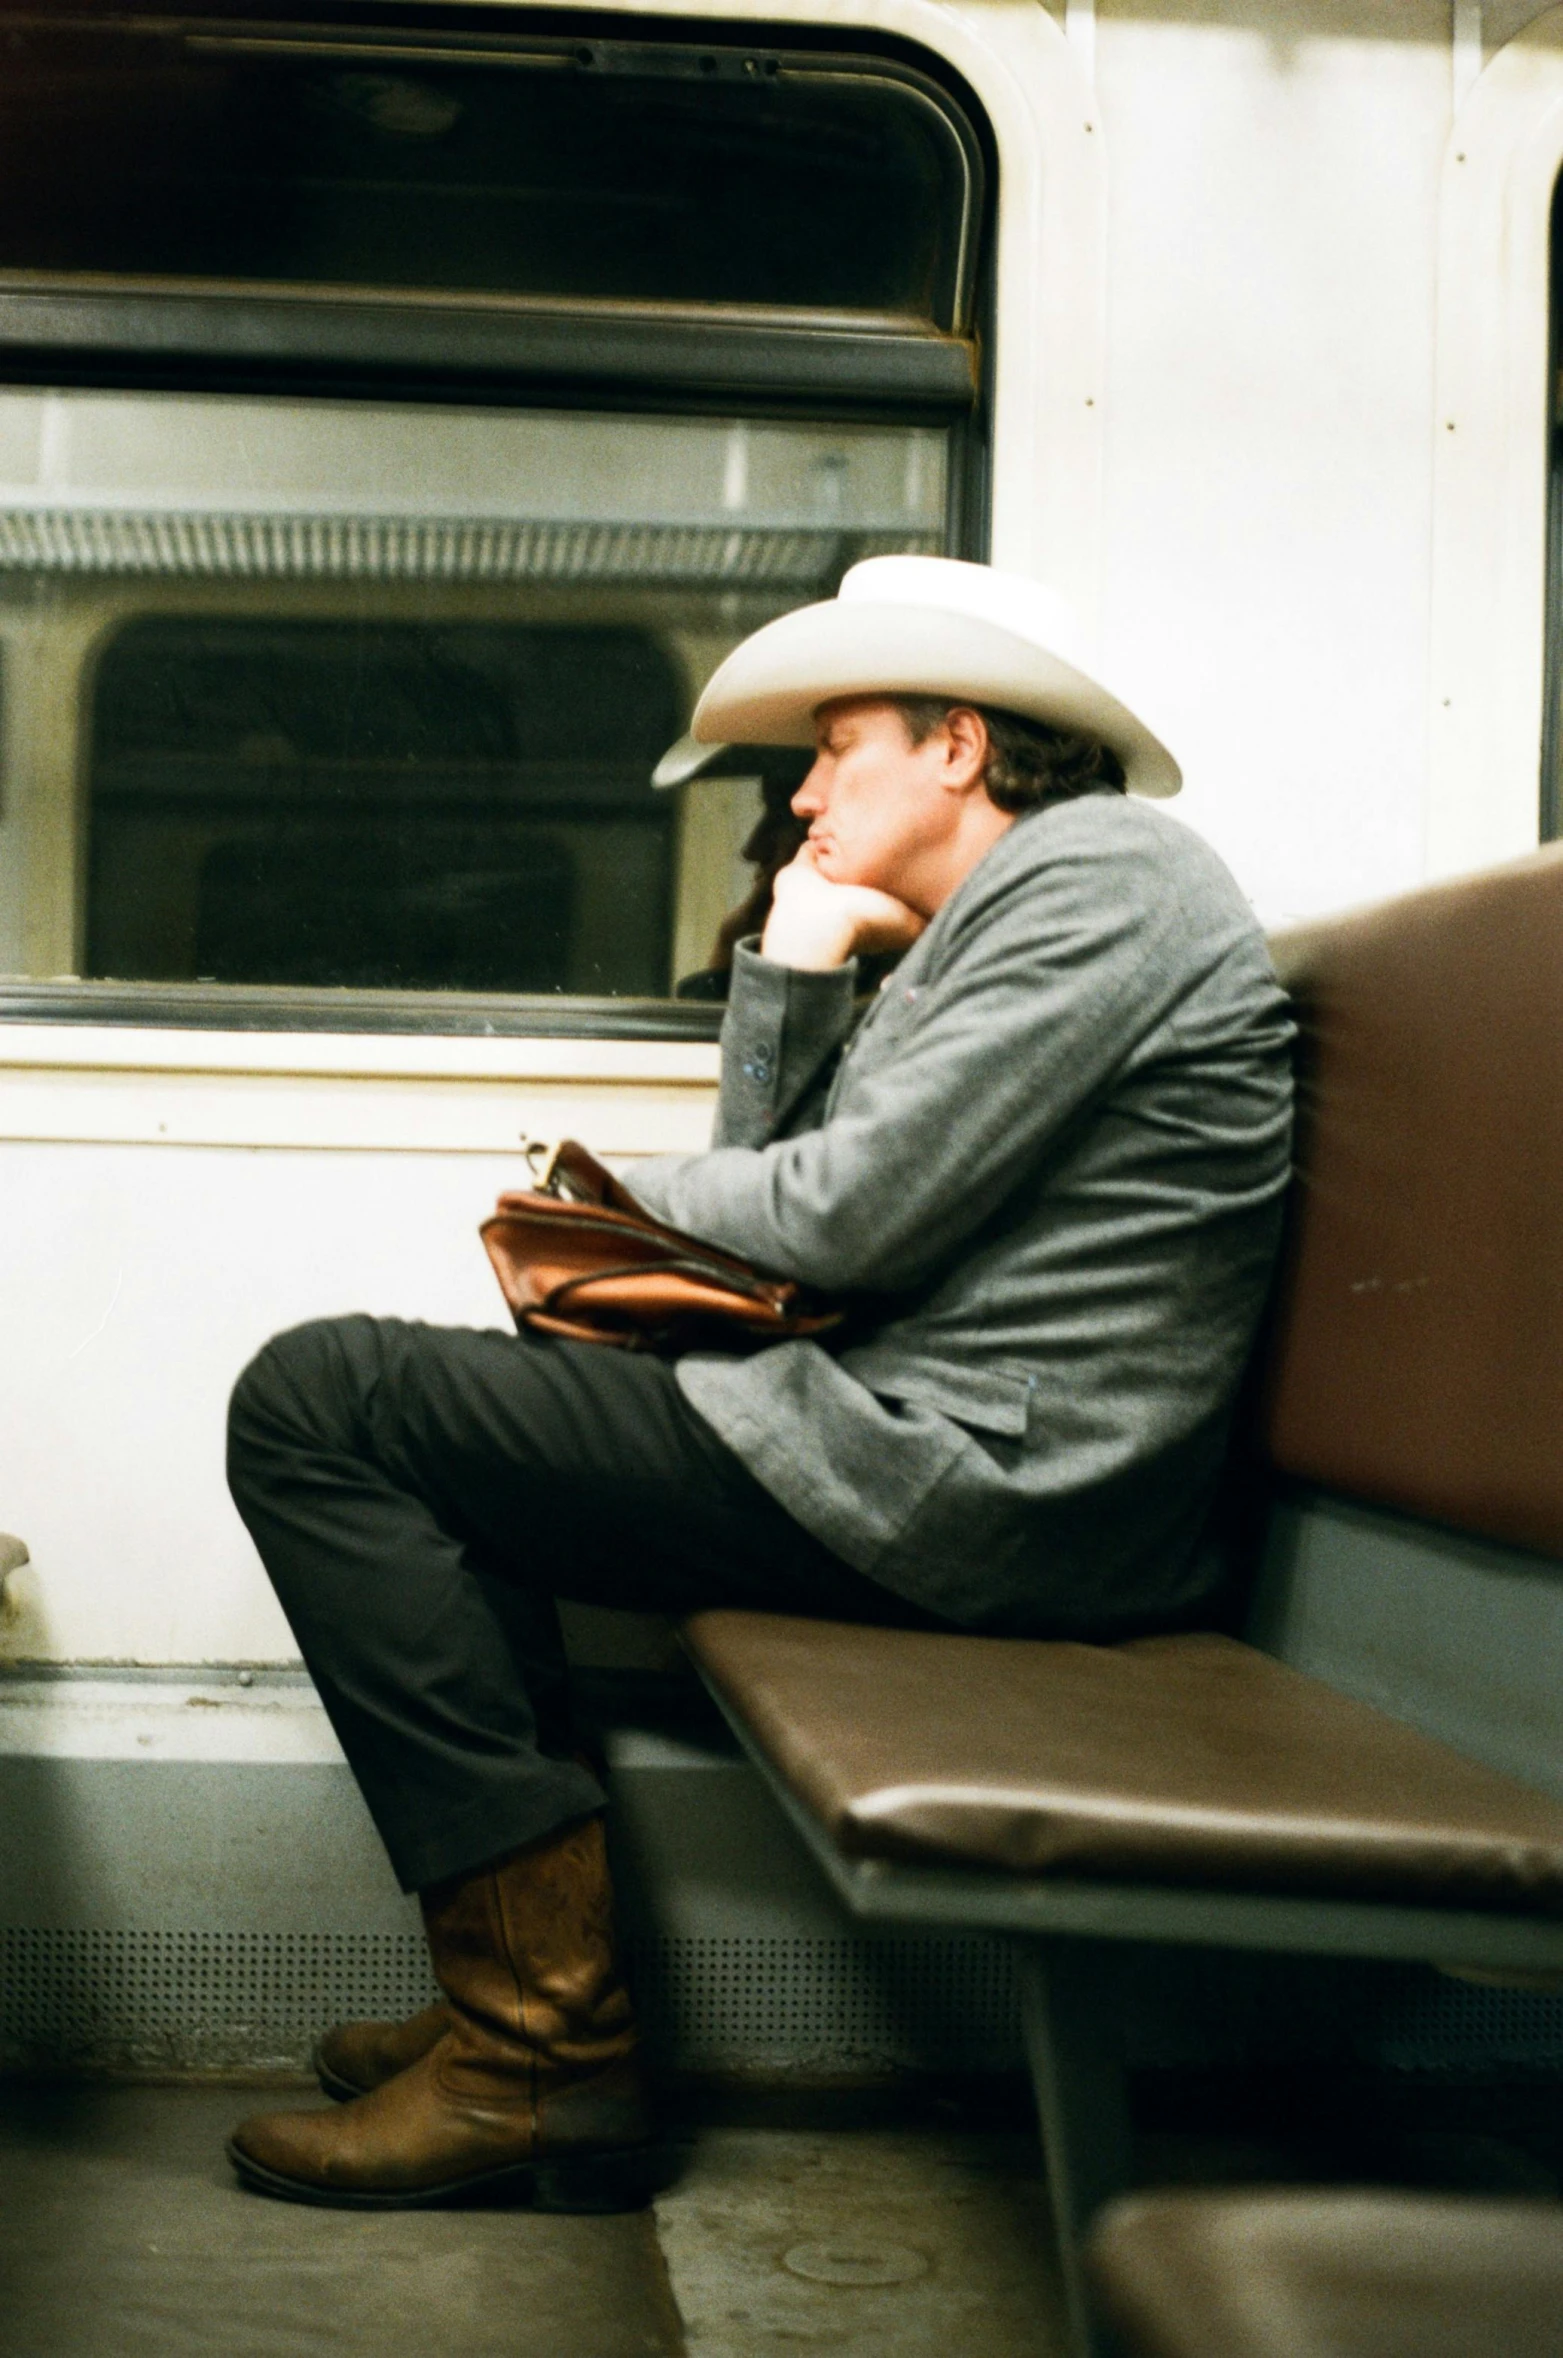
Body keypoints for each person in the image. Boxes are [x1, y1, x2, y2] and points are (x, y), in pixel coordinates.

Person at [222, 556, 1294, 2208]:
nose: (802, 791)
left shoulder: (1106, 878)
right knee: (443, 1446)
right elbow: (794, 1192)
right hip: (924, 1445)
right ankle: (521, 2021)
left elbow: (838, 1221)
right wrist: (797, 959)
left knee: (319, 1402)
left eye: (834, 745)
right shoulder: (977, 930)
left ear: (957, 744)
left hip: (991, 1487)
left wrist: (598, 1197)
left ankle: (538, 2048)